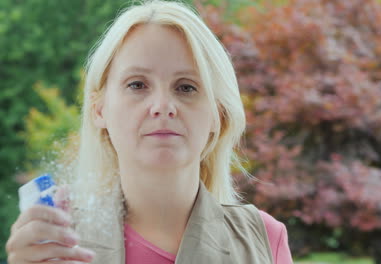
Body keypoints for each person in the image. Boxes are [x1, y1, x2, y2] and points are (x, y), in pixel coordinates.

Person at [6, 0, 294, 263]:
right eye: (137, 85)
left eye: (186, 87)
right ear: (99, 109)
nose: (162, 106)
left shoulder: (265, 240)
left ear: (217, 116)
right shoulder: (58, 240)